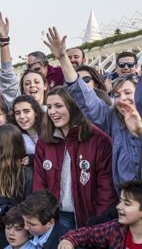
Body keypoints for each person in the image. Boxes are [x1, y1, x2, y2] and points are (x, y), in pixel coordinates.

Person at [44, 27, 142, 190]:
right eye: (117, 94)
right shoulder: (113, 119)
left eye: (128, 92)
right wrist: (62, 58)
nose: (122, 98)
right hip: (126, 200)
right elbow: (84, 96)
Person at [33, 86, 116, 231]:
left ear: (74, 107)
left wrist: (97, 223)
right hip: (55, 218)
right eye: (50, 106)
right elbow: (39, 184)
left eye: (58, 106)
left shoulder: (99, 140)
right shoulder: (44, 141)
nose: (52, 112)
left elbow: (106, 189)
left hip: (89, 219)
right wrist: (43, 217)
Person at [0, 12, 50, 109]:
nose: (32, 85)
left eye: (36, 82)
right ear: (22, 89)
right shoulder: (17, 108)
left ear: (45, 85)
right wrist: (4, 40)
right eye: (27, 83)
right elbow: (7, 74)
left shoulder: (54, 113)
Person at [58, 180, 142, 249]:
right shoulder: (117, 228)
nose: (118, 206)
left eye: (127, 204)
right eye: (120, 201)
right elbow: (88, 233)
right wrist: (68, 240)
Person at [0, 124, 32, 217]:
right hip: (1, 220)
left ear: (7, 145)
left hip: (21, 222)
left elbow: (29, 208)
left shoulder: (26, 173)